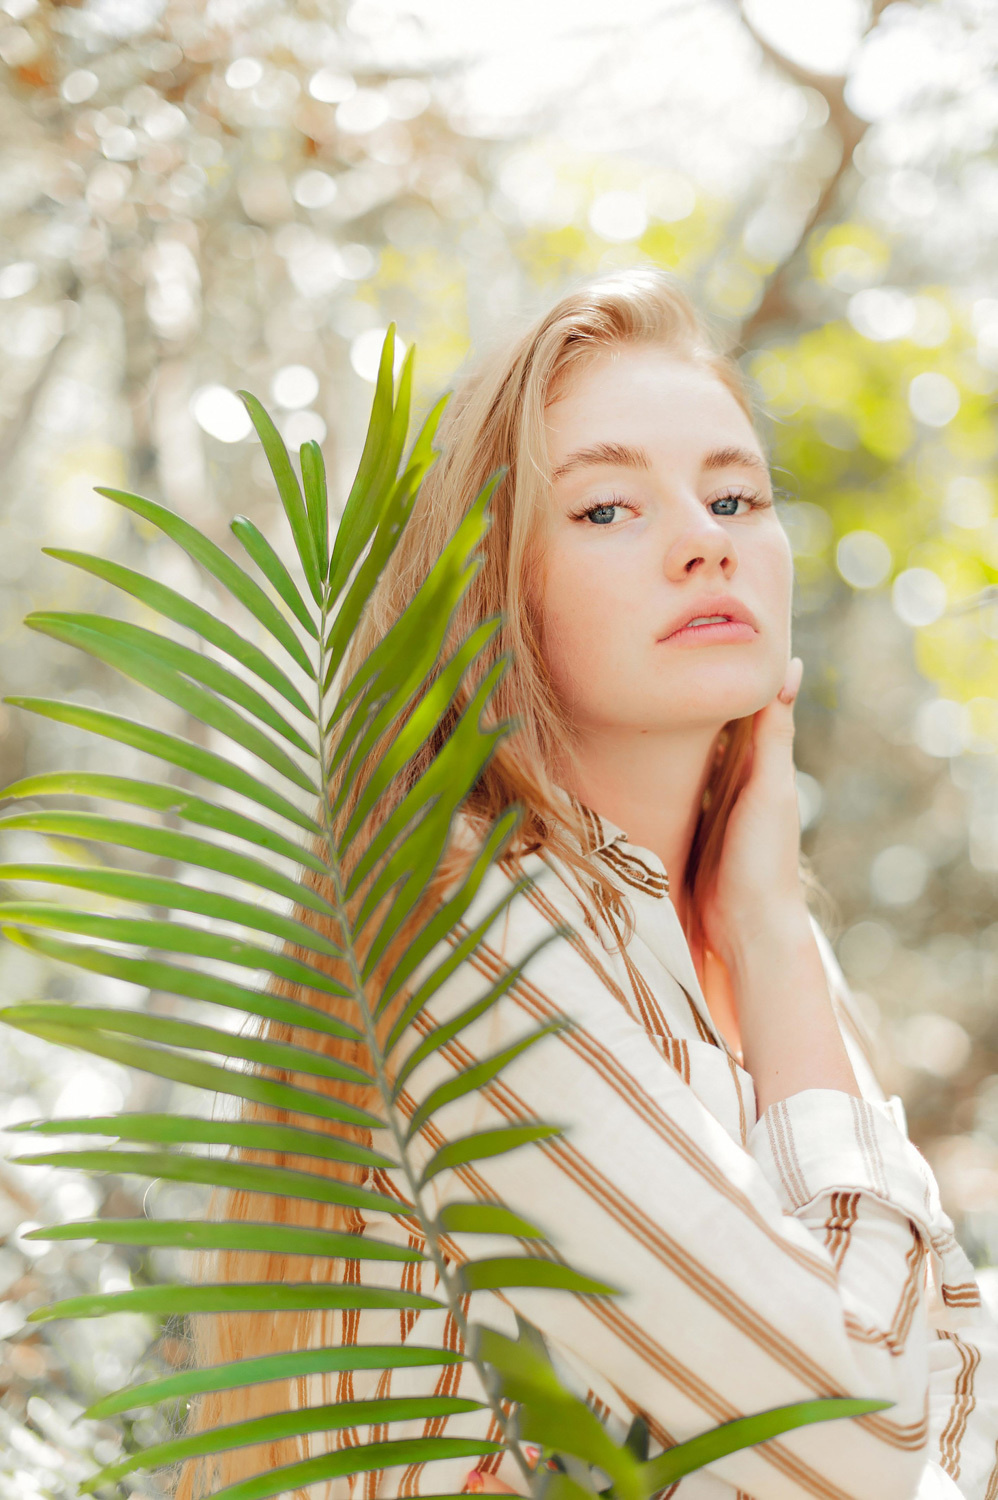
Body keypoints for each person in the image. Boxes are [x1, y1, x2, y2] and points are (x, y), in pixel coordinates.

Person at [176, 266, 998, 1500]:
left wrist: (770, 936)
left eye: (733, 494)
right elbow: (875, 1446)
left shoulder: (724, 925)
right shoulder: (473, 934)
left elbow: (949, 1407)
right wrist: (771, 936)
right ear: (491, 592)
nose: (702, 538)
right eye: (607, 508)